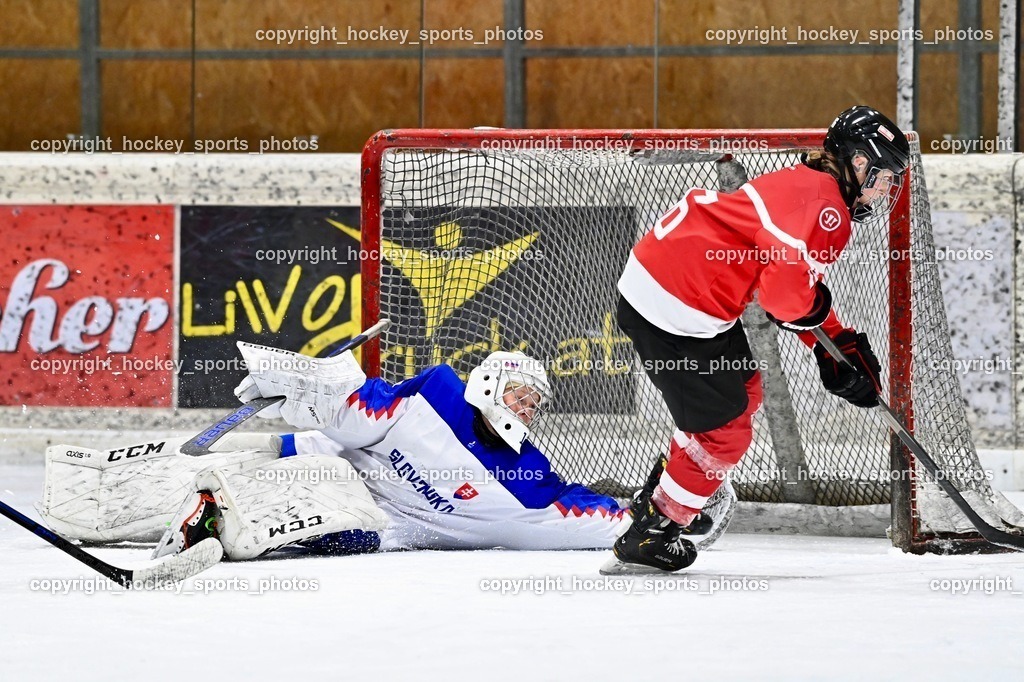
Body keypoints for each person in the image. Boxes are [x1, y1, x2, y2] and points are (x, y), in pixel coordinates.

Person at [604, 105, 910, 574]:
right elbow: (786, 301)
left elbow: (790, 290)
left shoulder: (810, 183)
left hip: (669, 282)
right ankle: (653, 533)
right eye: (884, 174)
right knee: (726, 433)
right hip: (679, 305)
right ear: (859, 162)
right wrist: (832, 348)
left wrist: (838, 344)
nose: (887, 188)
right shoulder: (829, 210)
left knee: (743, 390)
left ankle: (663, 492)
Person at [40, 348, 632, 560]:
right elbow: (357, 405)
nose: (526, 411)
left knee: (282, 504)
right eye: (521, 396)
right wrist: (294, 383)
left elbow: (585, 517)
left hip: (371, 521)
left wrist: (656, 514)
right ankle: (96, 484)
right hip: (340, 457)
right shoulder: (437, 395)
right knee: (243, 456)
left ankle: (209, 519)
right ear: (489, 383)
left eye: (536, 405)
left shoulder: (528, 481)